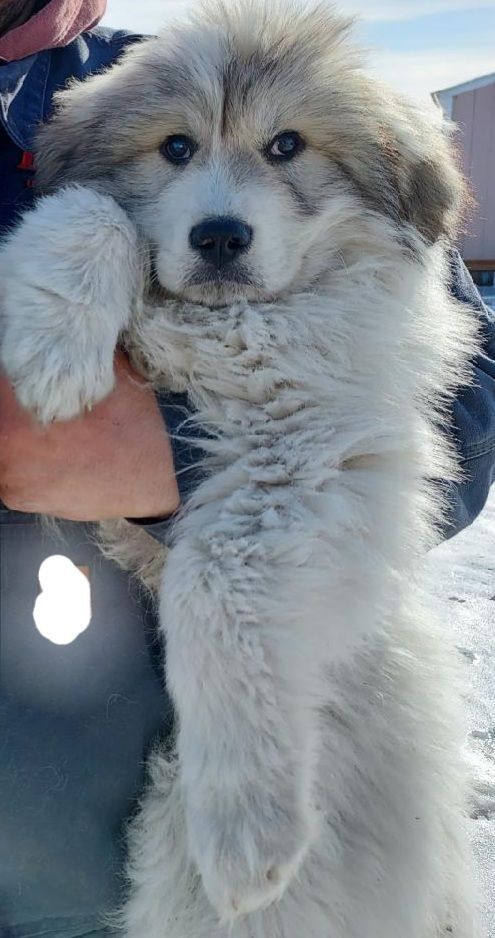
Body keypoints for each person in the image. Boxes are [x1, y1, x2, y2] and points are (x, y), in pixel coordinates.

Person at [0, 2, 493, 936]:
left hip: (230, 810)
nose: (222, 203)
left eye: (283, 151)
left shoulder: (148, 76)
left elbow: (464, 413)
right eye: (178, 151)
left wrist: (177, 457)